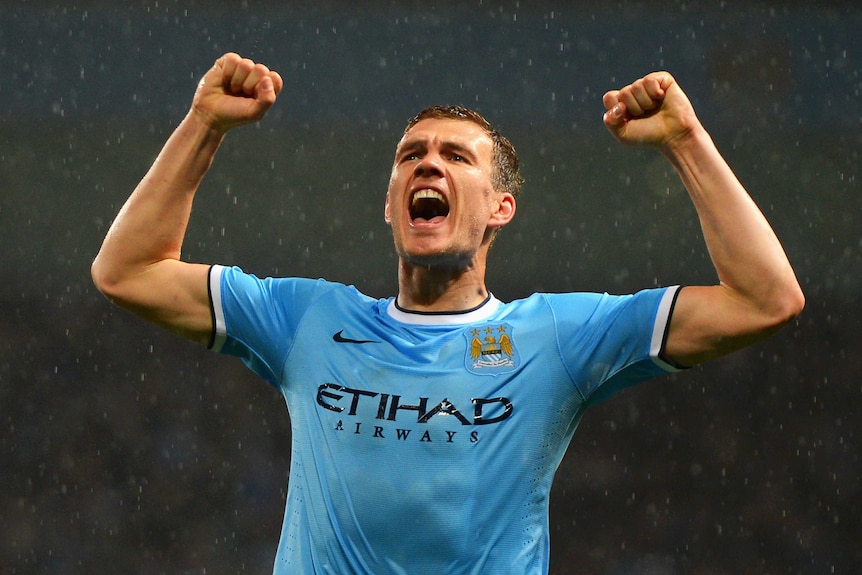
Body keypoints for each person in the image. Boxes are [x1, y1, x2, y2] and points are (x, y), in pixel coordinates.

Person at [91, 52, 804, 574]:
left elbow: (765, 299)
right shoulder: (307, 318)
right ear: (390, 202)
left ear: (501, 208)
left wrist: (685, 142)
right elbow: (127, 270)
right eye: (411, 155)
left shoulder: (555, 336)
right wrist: (203, 124)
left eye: (456, 157)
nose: (427, 164)